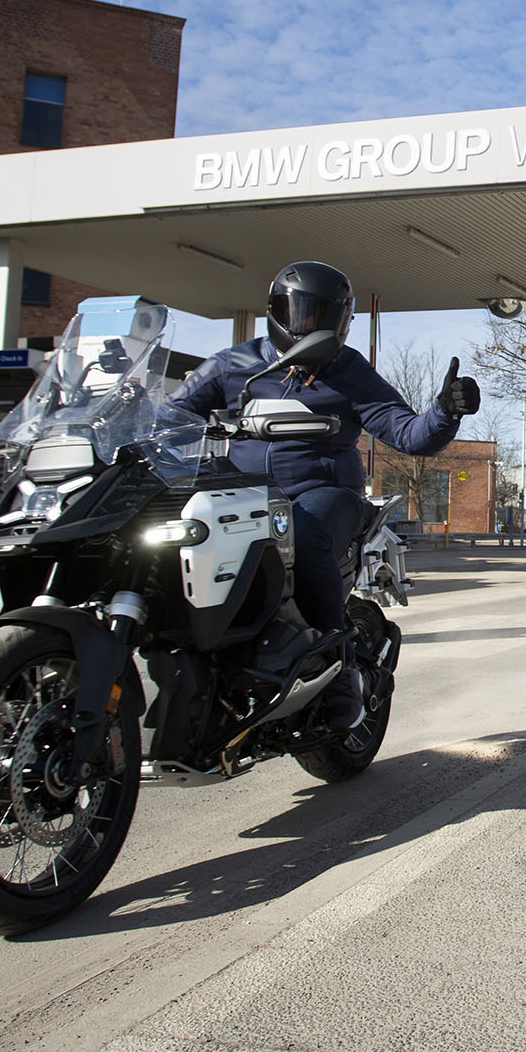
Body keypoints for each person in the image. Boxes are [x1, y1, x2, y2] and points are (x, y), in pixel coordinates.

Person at [169, 261, 480, 727]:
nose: (308, 325)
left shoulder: (349, 372)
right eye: (299, 313)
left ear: (342, 320)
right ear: (276, 311)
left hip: (323, 493)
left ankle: (338, 663)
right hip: (243, 496)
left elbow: (408, 433)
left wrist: (444, 412)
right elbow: (172, 415)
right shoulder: (235, 365)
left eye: (321, 315)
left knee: (304, 531)